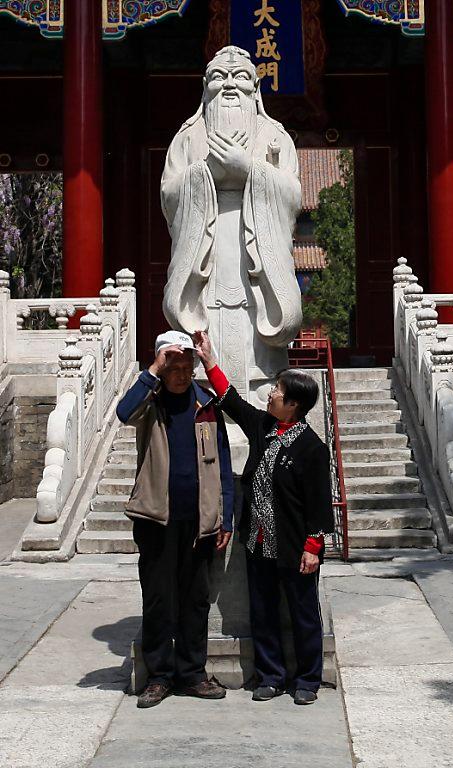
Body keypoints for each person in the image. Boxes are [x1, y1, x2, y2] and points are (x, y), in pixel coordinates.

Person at [192, 330, 335, 705]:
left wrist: (313, 546)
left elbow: (320, 503)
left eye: (277, 391)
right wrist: (208, 359)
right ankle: (271, 675)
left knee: (303, 613)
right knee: (263, 610)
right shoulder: (263, 428)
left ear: (293, 404)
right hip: (257, 541)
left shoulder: (311, 448)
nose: (270, 393)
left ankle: (307, 679)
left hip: (295, 546)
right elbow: (231, 400)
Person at [160, 45, 303, 402]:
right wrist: (206, 171)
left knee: (259, 354)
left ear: (255, 88)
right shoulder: (187, 137)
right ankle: (208, 399)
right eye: (218, 77)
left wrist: (250, 169)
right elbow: (169, 195)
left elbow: (292, 196)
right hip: (205, 254)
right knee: (208, 331)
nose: (228, 86)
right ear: (204, 86)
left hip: (259, 258)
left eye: (239, 77)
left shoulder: (275, 135)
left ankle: (260, 396)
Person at [115, 330, 235, 709]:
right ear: (163, 368)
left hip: (200, 521)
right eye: (174, 368)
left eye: (187, 367)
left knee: (195, 600)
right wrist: (153, 369)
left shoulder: (206, 404)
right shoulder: (150, 402)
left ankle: (192, 673)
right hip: (156, 519)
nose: (182, 375)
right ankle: (159, 676)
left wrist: (226, 516)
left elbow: (224, 461)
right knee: (158, 599)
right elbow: (123, 412)